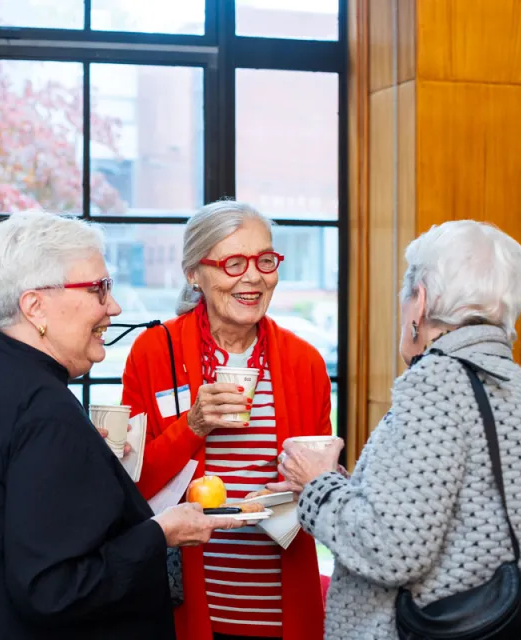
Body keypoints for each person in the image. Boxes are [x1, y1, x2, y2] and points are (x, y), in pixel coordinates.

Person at [0, 212, 241, 640]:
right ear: (35, 306)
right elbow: (55, 590)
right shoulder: (44, 409)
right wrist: (159, 533)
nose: (114, 306)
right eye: (97, 289)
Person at [275, 220, 521, 639]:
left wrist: (316, 485)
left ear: (421, 301)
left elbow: (392, 550)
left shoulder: (437, 381)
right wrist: (352, 494)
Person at [121, 200, 331, 640]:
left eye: (265, 260)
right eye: (234, 263)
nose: (253, 277)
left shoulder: (303, 362)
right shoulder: (155, 353)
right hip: (190, 603)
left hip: (279, 604)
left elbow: (316, 488)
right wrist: (193, 425)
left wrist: (312, 485)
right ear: (195, 273)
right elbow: (130, 486)